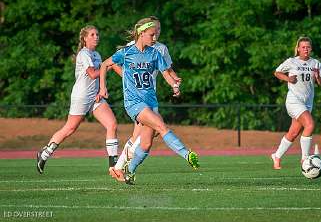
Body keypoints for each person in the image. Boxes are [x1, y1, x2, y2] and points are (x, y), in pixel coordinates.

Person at [98, 17, 199, 185]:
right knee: (161, 126)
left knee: (145, 144)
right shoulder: (127, 52)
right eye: (152, 34)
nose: (155, 38)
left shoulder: (155, 53)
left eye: (156, 34)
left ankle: (128, 171)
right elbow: (104, 65)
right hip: (134, 102)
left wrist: (174, 85)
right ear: (141, 33)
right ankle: (187, 154)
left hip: (151, 101)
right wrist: (103, 87)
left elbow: (166, 73)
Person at [36, 25, 119, 174]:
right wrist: (109, 65)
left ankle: (114, 165)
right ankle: (44, 153)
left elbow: (100, 76)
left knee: (112, 124)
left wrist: (102, 88)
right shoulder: (84, 54)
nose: (96, 37)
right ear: (85, 38)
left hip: (95, 97)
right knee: (70, 128)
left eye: (97, 34)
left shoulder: (97, 55)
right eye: (92, 35)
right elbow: (93, 74)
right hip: (81, 96)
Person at [114, 16, 181, 172]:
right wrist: (128, 78)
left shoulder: (161, 48)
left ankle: (119, 166)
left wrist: (174, 79)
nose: (157, 32)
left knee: (144, 134)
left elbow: (167, 69)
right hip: (136, 97)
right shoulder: (133, 46)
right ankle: (119, 166)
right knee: (150, 131)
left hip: (150, 96)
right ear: (144, 30)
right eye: (154, 29)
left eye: (159, 29)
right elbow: (114, 64)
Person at [271, 36, 321, 170]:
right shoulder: (291, 61)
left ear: (311, 48)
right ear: (298, 49)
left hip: (307, 102)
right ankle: (305, 159)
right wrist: (288, 78)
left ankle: (276, 156)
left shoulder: (316, 64)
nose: (305, 49)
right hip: (294, 100)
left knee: (294, 133)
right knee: (310, 124)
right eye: (303, 47)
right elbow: (277, 72)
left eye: (308, 47)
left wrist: (318, 77)